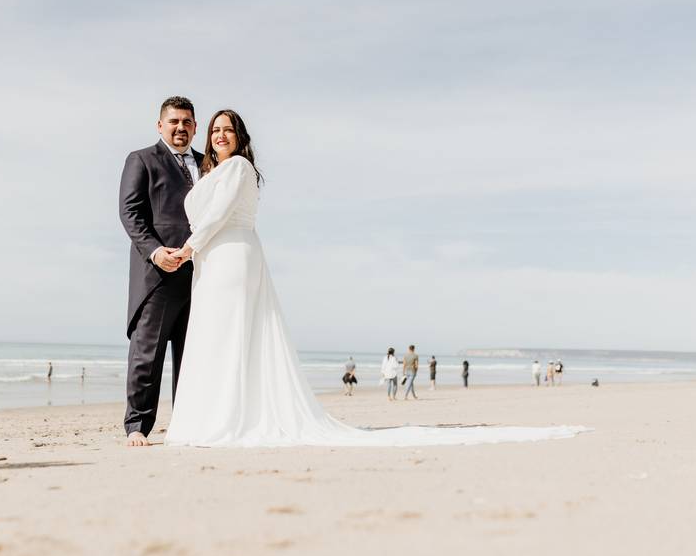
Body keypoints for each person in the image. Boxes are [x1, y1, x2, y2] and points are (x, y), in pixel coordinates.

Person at [161, 109, 584, 447]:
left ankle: (224, 420)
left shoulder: (237, 168)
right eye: (215, 130)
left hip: (232, 254)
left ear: (240, 137)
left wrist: (189, 247)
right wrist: (197, 250)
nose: (220, 135)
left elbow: (216, 216)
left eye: (228, 129)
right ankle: (214, 416)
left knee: (230, 335)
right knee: (215, 336)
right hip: (211, 259)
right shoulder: (211, 173)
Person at [118, 96, 204, 447]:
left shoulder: (208, 164)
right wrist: (155, 253)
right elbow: (131, 212)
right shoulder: (141, 160)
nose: (180, 128)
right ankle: (137, 426)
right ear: (160, 125)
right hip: (157, 275)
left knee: (193, 356)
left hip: (199, 275)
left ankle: (187, 423)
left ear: (196, 127)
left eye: (186, 122)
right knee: (147, 355)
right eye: (174, 122)